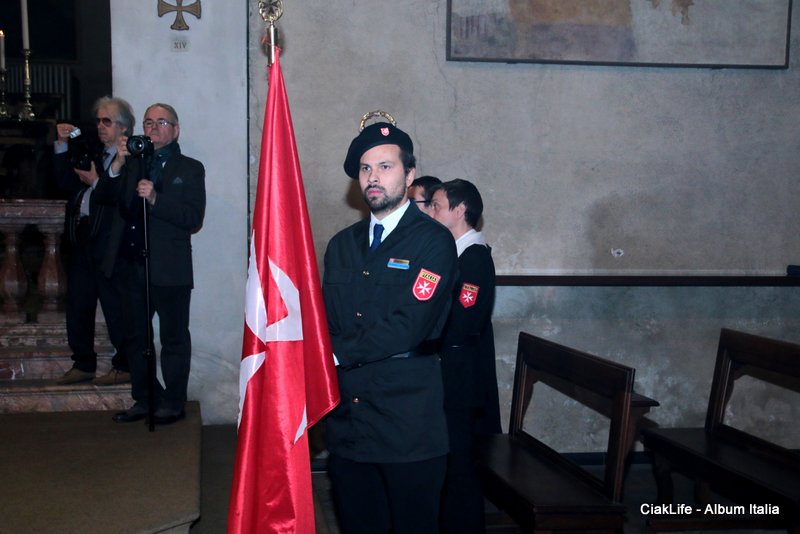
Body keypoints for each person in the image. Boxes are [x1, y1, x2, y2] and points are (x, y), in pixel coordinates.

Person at [322, 122, 458, 534]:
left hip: (406, 423)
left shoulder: (433, 241)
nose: (373, 177)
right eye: (365, 169)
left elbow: (408, 326)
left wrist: (333, 353)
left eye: (385, 166)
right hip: (350, 420)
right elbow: (327, 318)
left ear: (409, 174)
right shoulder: (341, 245)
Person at [94, 103, 206, 425]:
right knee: (135, 337)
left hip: (170, 268)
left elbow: (192, 217)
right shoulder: (133, 163)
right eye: (148, 122)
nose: (153, 128)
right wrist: (117, 163)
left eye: (161, 122)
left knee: (173, 338)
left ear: (176, 130)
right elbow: (103, 196)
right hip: (132, 265)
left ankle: (173, 402)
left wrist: (156, 199)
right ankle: (145, 398)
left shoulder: (190, 168)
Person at [430, 178, 501, 534]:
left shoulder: (473, 258)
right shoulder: (455, 253)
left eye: (437, 206)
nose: (431, 212)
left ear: (459, 211)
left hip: (460, 375)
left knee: (461, 462)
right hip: (451, 368)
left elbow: (462, 319)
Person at [53, 96, 135, 386]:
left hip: (111, 242)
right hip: (84, 237)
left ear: (123, 127)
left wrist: (96, 181)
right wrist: (62, 145)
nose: (100, 126)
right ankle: (83, 362)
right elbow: (65, 182)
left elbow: (122, 198)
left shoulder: (130, 159)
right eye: (98, 120)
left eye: (107, 121)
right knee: (78, 302)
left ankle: (124, 365)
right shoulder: (93, 153)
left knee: (115, 307)